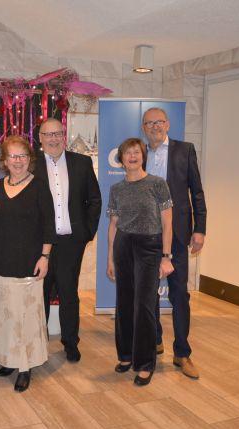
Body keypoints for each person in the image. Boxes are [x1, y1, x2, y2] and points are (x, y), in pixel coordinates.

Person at [0, 135, 55, 392]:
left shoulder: (39, 186)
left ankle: (24, 366)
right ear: (4, 160)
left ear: (29, 159)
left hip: (29, 262)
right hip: (0, 260)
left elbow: (49, 225)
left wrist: (45, 257)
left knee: (25, 317)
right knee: (4, 314)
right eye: (13, 156)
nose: (18, 161)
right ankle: (8, 359)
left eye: (22, 156)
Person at [142, 107, 207, 379]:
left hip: (178, 235)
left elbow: (197, 192)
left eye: (159, 122)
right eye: (149, 123)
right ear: (144, 128)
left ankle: (182, 352)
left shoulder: (185, 150)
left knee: (179, 294)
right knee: (148, 293)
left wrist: (200, 229)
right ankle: (155, 340)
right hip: (146, 234)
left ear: (167, 124)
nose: (155, 126)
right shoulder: (139, 153)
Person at [106, 138, 174, 386]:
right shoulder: (116, 189)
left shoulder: (157, 184)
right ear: (121, 159)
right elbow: (113, 225)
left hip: (149, 247)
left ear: (143, 156)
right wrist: (110, 258)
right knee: (124, 303)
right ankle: (125, 355)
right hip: (123, 245)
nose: (132, 156)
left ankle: (145, 363)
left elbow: (167, 222)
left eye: (137, 152)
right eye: (128, 153)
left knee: (144, 305)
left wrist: (166, 257)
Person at [34, 118, 102, 362]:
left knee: (69, 293)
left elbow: (95, 200)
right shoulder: (31, 164)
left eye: (57, 134)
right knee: (39, 295)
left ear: (63, 135)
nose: (53, 139)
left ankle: (70, 343)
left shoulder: (81, 163)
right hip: (39, 244)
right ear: (40, 138)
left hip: (71, 243)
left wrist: (86, 233)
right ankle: (37, 344)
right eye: (48, 134)